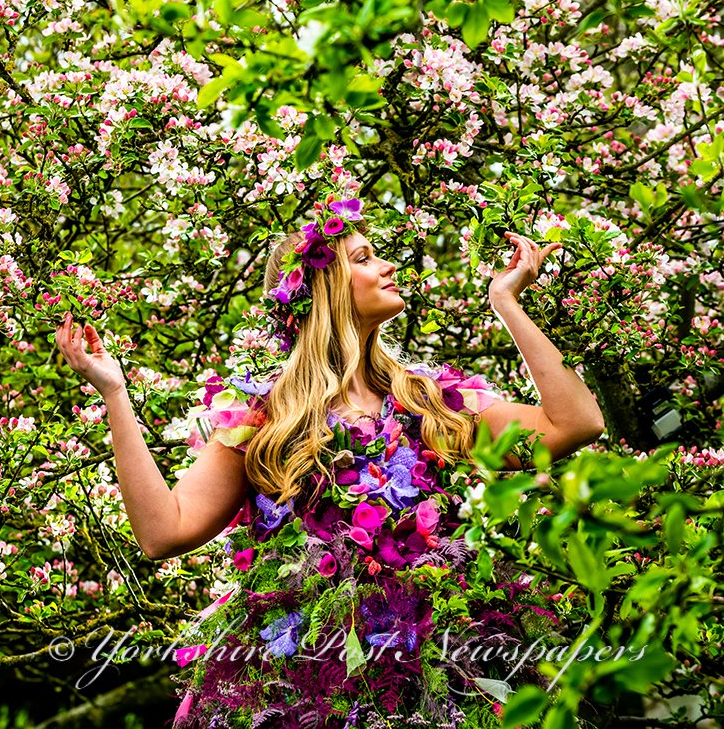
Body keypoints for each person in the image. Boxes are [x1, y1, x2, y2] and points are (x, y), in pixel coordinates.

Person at [54, 192, 605, 729]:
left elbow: (575, 424)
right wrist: (115, 394)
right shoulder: (266, 419)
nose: (389, 266)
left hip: (440, 655)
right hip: (312, 674)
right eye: (363, 258)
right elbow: (163, 532)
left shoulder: (428, 400)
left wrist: (506, 303)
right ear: (322, 290)